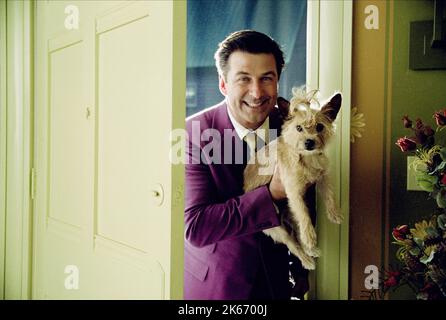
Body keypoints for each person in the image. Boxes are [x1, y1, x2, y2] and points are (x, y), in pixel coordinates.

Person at [184, 30, 315, 300]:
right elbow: (196, 227)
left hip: (278, 283)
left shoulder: (296, 128)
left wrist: (301, 270)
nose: (256, 93)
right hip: (217, 286)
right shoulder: (192, 133)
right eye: (244, 79)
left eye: (266, 78)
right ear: (223, 84)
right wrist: (271, 195)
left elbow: (308, 199)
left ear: (277, 81)